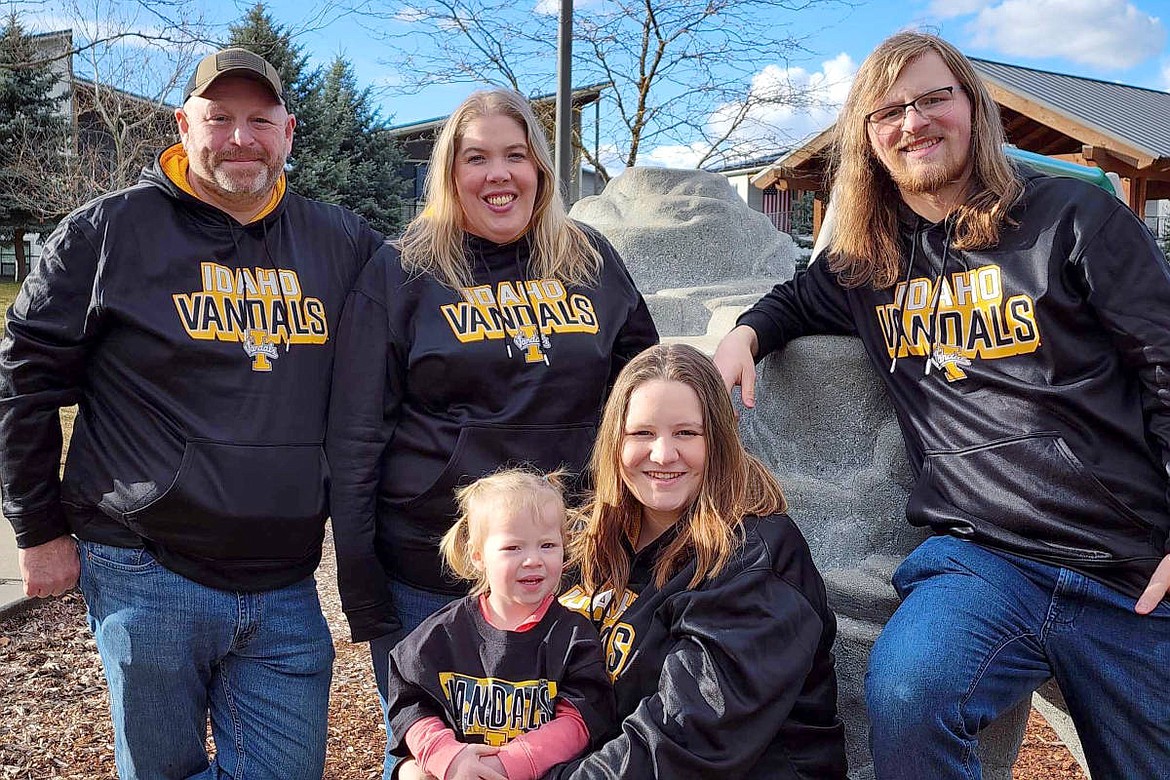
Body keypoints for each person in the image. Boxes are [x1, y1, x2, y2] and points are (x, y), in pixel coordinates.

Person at [713, 31, 1170, 780]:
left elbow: (1165, 364)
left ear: (972, 108)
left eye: (933, 98)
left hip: (1128, 567)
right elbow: (794, 299)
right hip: (983, 563)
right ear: (868, 136)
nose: (914, 121)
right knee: (906, 690)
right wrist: (744, 336)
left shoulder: (1072, 219)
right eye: (889, 110)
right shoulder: (869, 258)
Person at [0, 47, 384, 779]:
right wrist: (38, 527)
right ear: (184, 124)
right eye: (220, 119)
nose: (240, 138)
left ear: (289, 132)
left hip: (287, 580)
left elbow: (430, 308)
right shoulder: (106, 233)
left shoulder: (340, 242)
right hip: (146, 566)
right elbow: (24, 379)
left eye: (259, 120)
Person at [326, 88, 657, 777]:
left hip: (566, 568)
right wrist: (365, 591)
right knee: (433, 762)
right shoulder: (404, 270)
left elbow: (642, 396)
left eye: (516, 155)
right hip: (431, 571)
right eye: (476, 158)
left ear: (540, 167)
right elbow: (357, 435)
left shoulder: (590, 259)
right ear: (450, 173)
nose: (497, 174)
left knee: (565, 749)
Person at [544, 343, 846, 778]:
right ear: (615, 441)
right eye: (642, 433)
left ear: (718, 440)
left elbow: (685, 743)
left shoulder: (755, 559)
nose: (664, 455)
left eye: (686, 433)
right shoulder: (584, 542)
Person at [387, 468, 615, 780]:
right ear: (479, 556)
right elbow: (411, 702)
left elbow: (581, 719)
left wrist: (508, 764)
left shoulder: (574, 636)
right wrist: (446, 758)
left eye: (547, 545)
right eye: (513, 547)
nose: (533, 559)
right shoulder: (443, 633)